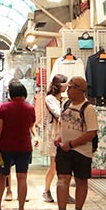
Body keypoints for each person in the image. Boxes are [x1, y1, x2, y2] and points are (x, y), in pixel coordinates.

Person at [51, 76, 98, 210]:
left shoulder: (88, 109)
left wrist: (72, 144)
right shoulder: (66, 104)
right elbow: (62, 124)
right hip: (64, 150)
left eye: (70, 88)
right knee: (62, 179)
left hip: (81, 152)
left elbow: (91, 133)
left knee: (81, 180)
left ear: (79, 89)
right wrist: (59, 136)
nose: (67, 90)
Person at [0, 79, 36, 210]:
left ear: (11, 93)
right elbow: (31, 124)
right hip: (24, 146)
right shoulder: (30, 108)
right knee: (22, 177)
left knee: (2, 176)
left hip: (6, 147)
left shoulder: (4, 108)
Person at [43, 74, 68, 203]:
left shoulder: (63, 99)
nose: (67, 87)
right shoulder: (50, 98)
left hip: (65, 135)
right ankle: (46, 190)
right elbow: (59, 114)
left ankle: (64, 193)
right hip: (54, 135)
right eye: (65, 84)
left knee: (63, 167)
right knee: (54, 165)